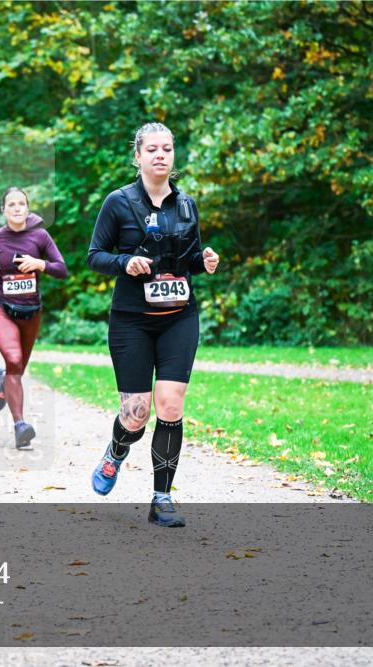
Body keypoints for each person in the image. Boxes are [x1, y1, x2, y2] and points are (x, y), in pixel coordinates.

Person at [86, 122, 220, 527]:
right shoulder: (118, 202)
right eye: (152, 149)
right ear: (138, 156)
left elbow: (190, 257)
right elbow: (95, 255)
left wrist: (204, 260)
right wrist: (125, 261)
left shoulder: (187, 205)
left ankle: (162, 498)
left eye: (167, 149)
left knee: (171, 404)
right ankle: (117, 451)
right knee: (136, 414)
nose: (161, 155)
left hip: (179, 317)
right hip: (132, 321)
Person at [0, 187, 67, 448]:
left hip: (31, 312)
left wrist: (40, 264)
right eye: (11, 204)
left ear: (28, 208)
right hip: (3, 309)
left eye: (21, 204)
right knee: (14, 360)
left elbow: (62, 269)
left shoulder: (40, 236)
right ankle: (20, 426)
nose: (17, 208)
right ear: (3, 210)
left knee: (16, 369)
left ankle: (3, 382)